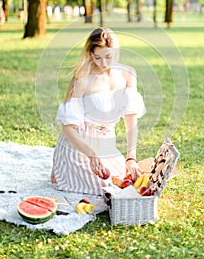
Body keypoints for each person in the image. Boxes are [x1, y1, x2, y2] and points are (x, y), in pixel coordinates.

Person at [51, 27, 146, 196]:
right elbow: (68, 129)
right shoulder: (83, 78)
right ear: (91, 54)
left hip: (105, 143)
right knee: (107, 189)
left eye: (108, 56)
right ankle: (62, 169)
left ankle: (60, 172)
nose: (103, 63)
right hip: (79, 146)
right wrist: (92, 156)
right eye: (97, 57)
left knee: (128, 180)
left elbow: (131, 119)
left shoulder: (128, 75)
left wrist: (131, 157)